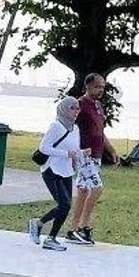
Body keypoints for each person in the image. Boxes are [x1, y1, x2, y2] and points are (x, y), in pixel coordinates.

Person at [28, 96, 87, 251]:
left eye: (77, 108)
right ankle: (44, 231)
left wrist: (80, 155)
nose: (76, 111)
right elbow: (44, 148)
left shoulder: (76, 128)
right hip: (51, 169)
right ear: (63, 109)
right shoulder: (56, 126)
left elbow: (73, 149)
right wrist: (66, 154)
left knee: (65, 206)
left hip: (66, 170)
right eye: (72, 108)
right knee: (64, 204)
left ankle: (46, 232)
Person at [67, 73, 120, 246]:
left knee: (83, 191)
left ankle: (73, 229)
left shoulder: (98, 106)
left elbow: (100, 132)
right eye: (97, 86)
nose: (101, 90)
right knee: (96, 188)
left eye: (103, 87)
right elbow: (69, 128)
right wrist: (76, 151)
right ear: (88, 86)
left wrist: (111, 151)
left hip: (96, 155)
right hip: (85, 155)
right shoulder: (79, 105)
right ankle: (83, 226)